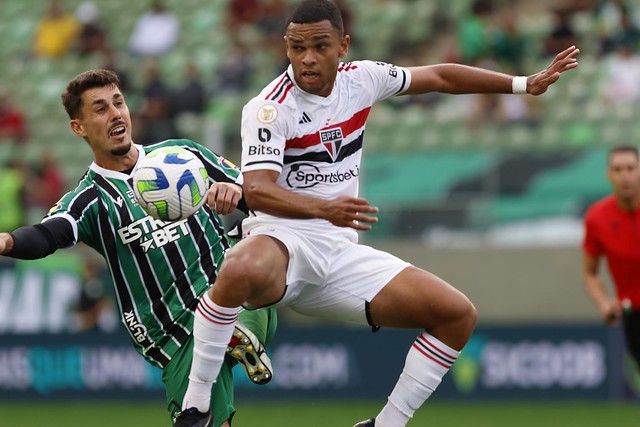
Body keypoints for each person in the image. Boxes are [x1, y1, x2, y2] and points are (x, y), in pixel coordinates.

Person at [180, 1, 580, 426]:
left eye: (320, 45)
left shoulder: (363, 79)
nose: (308, 58)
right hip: (283, 244)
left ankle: (387, 423)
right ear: (286, 47)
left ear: (343, 46)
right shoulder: (269, 108)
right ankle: (196, 404)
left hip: (339, 254)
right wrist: (325, 208)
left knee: (457, 315)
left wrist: (523, 84)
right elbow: (257, 190)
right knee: (238, 267)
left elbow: (442, 76)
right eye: (297, 47)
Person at [0, 69, 276, 427]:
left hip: (224, 292)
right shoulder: (90, 199)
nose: (115, 113)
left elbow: (263, 199)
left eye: (118, 102)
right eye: (99, 109)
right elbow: (49, 234)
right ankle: (239, 332)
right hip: (174, 332)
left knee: (268, 237)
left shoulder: (183, 155)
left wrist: (238, 194)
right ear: (78, 127)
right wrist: (6, 241)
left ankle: (242, 329)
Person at [582, 145, 640, 370]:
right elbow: (590, 272)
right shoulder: (597, 218)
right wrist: (603, 303)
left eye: (630, 168)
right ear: (609, 175)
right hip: (633, 316)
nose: (624, 175)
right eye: (618, 169)